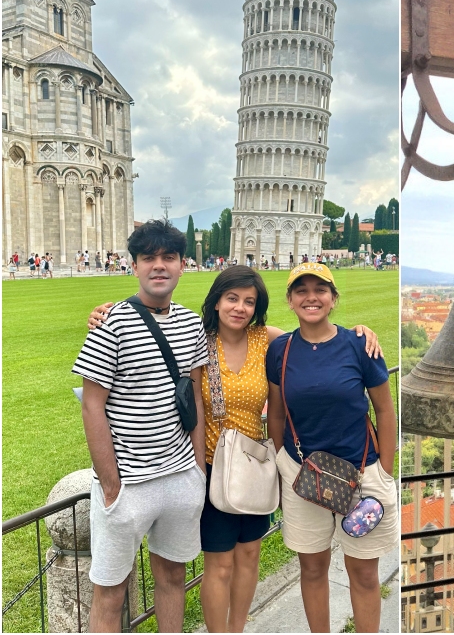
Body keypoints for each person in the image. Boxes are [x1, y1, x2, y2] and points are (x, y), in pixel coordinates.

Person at [88, 265, 382, 633]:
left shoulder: (267, 340)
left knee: (249, 556)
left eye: (249, 301)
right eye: (232, 298)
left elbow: (314, 337)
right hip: (212, 466)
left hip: (256, 467)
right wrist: (106, 311)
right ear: (217, 301)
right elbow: (153, 318)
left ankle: (238, 628)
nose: (239, 308)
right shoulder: (195, 337)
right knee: (220, 564)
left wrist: (360, 332)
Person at [73, 220, 207, 633]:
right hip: (128, 483)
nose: (159, 266)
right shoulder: (111, 323)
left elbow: (196, 396)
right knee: (110, 592)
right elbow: (92, 406)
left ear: (183, 265)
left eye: (168, 257)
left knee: (172, 579)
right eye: (149, 258)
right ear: (134, 266)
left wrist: (198, 469)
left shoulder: (190, 323)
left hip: (180, 475)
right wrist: (111, 484)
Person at [266, 262, 399, 633]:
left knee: (365, 573)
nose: (312, 297)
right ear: (290, 301)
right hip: (303, 475)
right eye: (302, 291)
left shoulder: (360, 344)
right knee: (311, 570)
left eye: (320, 290)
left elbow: (385, 410)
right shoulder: (280, 350)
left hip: (362, 474)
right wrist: (283, 460)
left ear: (333, 299)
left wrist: (384, 470)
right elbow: (275, 415)